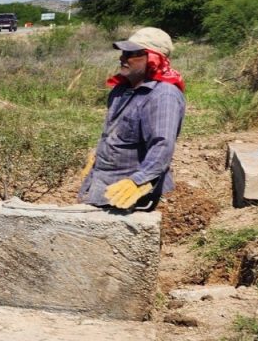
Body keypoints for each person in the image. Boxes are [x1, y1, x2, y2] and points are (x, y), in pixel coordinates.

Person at [77, 26, 185, 211]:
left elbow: (162, 146)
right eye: (123, 53)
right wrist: (98, 156)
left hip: (129, 197)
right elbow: (115, 131)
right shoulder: (121, 90)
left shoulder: (163, 96)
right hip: (102, 187)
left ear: (152, 59)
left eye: (131, 53)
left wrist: (137, 182)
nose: (123, 58)